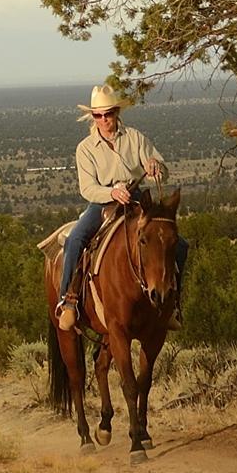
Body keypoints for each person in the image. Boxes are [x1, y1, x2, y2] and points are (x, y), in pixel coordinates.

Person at [57, 85, 188, 332]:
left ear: (117, 112)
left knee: (179, 244)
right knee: (75, 239)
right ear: (92, 117)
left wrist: (155, 166)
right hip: (104, 203)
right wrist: (112, 193)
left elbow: (163, 169)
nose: (103, 119)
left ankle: (174, 302)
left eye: (108, 113)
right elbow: (87, 189)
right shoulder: (85, 148)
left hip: (138, 200)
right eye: (98, 115)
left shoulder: (135, 138)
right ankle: (68, 300)